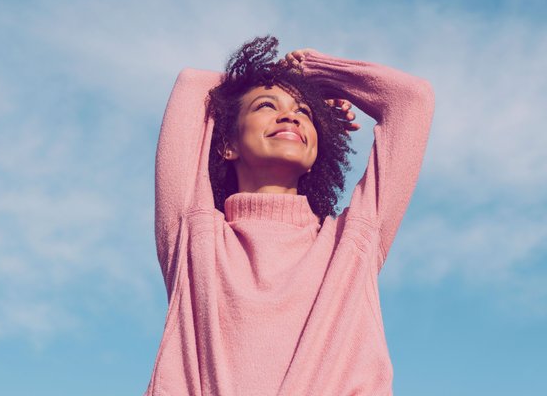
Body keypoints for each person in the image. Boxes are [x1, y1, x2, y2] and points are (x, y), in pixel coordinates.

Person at [144, 35, 434, 395]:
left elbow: (411, 99)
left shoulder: (350, 244)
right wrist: (278, 77)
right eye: (266, 105)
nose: (289, 115)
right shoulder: (193, 235)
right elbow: (193, 84)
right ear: (227, 144)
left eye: (304, 112)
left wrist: (315, 72)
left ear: (318, 147)